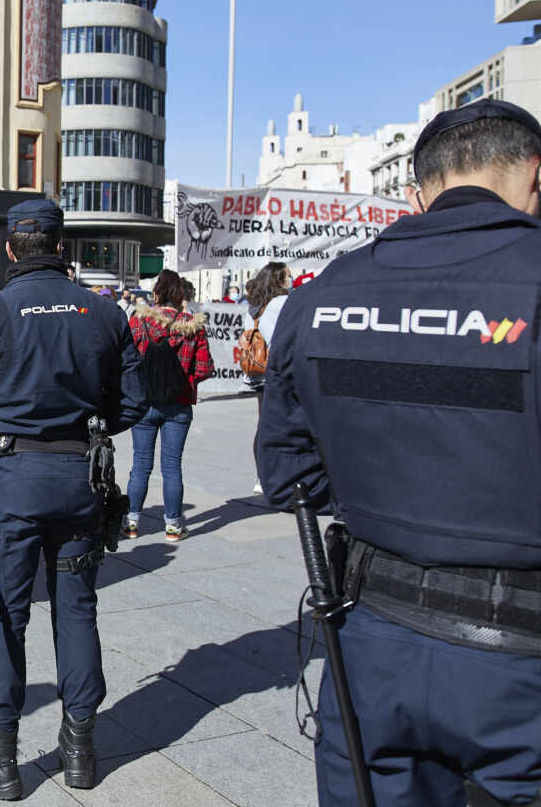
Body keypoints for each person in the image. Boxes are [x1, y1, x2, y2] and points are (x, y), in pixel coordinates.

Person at [257, 101, 541, 807]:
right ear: (536, 175)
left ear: (418, 193)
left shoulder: (322, 297)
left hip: (372, 642)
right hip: (522, 663)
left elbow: (289, 475)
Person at [0, 199, 146, 797]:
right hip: (79, 477)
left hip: (11, 478)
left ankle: (0, 757)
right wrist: (87, 425)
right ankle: (80, 748)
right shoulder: (105, 312)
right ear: (63, 247)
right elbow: (132, 402)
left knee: (3, 613)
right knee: (76, 607)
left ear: (10, 250)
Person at [123, 271, 212, 541]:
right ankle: (173, 526)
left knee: (140, 463)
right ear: (180, 294)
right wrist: (183, 378)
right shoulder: (192, 325)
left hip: (145, 403)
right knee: (172, 466)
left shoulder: (139, 321)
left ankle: (132, 523)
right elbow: (205, 367)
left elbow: (126, 360)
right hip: (179, 404)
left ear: (157, 293)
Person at [243, 262, 291, 494]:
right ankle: (278, 477)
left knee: (263, 424)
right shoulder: (280, 303)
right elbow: (282, 338)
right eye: (288, 277)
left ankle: (262, 477)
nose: (291, 281)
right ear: (278, 280)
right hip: (278, 372)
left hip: (257, 372)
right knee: (283, 425)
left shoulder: (254, 305)